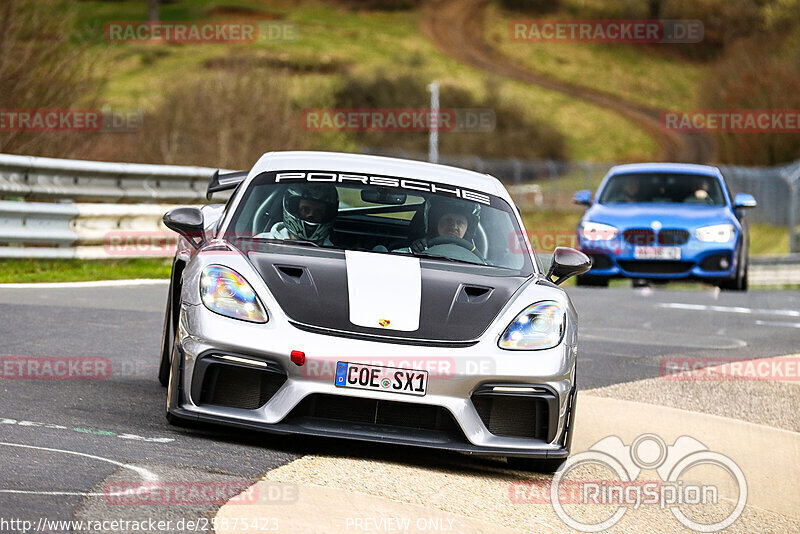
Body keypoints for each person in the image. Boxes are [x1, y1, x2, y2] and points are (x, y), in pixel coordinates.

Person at [257, 183, 338, 246]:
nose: (310, 215)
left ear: (326, 215)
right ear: (295, 209)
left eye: (318, 212)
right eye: (305, 210)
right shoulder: (261, 242)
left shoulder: (333, 254)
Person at [406, 196, 481, 254]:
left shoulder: (475, 255)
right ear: (436, 223)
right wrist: (415, 250)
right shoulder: (420, 247)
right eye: (448, 220)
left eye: (460, 222)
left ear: (467, 228)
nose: (454, 227)